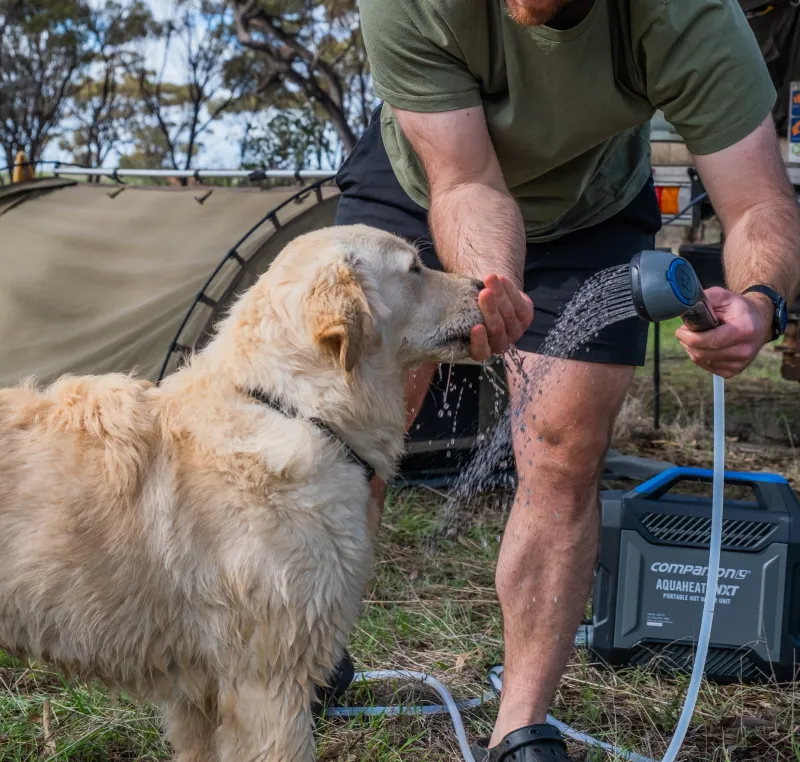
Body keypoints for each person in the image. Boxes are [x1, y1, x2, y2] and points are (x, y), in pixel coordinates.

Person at [327, 0, 800, 759]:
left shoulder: (689, 16)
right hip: (424, 179)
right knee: (353, 436)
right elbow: (466, 181)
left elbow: (758, 202)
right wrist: (491, 291)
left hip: (591, 208)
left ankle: (521, 726)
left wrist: (759, 300)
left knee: (564, 452)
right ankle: (311, 655)